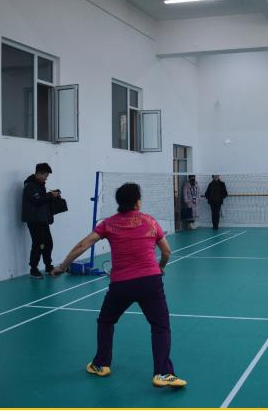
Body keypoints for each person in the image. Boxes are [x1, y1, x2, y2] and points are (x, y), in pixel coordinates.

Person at [51, 183, 187, 388]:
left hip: (121, 285)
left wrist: (63, 266)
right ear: (138, 202)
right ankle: (163, 373)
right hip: (150, 282)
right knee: (161, 327)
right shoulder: (150, 221)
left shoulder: (109, 224)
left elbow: (84, 244)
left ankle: (101, 364)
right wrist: (160, 267)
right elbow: (167, 252)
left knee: (106, 321)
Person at [21, 162, 61, 279]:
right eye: (45, 175)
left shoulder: (39, 185)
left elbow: (41, 199)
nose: (46, 178)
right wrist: (50, 195)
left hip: (42, 219)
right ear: (38, 174)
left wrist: (52, 195)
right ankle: (33, 269)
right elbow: (37, 200)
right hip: (34, 220)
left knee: (48, 243)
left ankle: (48, 266)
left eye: (47, 176)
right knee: (38, 244)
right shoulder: (30, 186)